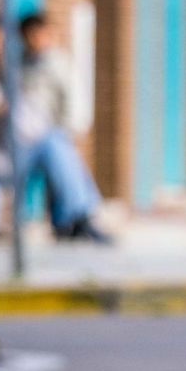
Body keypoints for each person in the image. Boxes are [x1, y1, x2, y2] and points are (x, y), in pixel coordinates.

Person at [18, 12, 114, 243]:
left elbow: (74, 104)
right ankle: (78, 217)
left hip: (48, 136)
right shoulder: (15, 65)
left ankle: (74, 218)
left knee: (59, 151)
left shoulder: (59, 63)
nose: (38, 40)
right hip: (19, 141)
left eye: (42, 34)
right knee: (62, 155)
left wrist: (69, 132)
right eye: (33, 35)